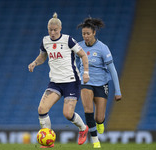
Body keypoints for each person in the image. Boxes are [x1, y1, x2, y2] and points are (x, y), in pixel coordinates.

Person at [28, 12, 89, 148]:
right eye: (50, 30)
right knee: (42, 109)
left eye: (55, 30)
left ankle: (82, 128)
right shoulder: (45, 41)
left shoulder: (68, 40)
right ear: (48, 29)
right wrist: (34, 63)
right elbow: (43, 57)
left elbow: (83, 55)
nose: (53, 33)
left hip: (71, 81)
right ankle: (49, 141)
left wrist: (86, 72)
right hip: (55, 82)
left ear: (60, 29)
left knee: (68, 114)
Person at [76, 18, 122, 148]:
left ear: (94, 33)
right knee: (88, 109)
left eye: (88, 33)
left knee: (99, 118)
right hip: (86, 82)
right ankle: (95, 140)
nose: (85, 36)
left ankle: (100, 122)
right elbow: (72, 62)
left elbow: (112, 70)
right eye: (83, 34)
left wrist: (118, 91)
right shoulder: (78, 47)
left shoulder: (103, 48)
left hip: (102, 84)